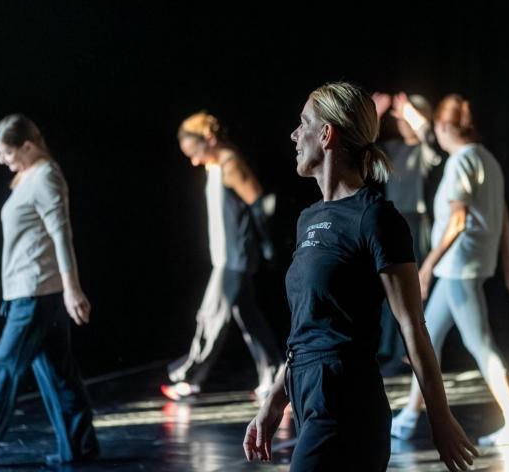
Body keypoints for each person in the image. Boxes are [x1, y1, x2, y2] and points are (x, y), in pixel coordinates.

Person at [243, 83, 478, 472]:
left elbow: (413, 327)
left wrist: (440, 419)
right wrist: (274, 401)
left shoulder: (376, 218)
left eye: (303, 123)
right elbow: (306, 331)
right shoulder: (308, 219)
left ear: (326, 134)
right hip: (307, 397)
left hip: (348, 403)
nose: (294, 135)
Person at [391, 94, 509, 446]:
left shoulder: (460, 163)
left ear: (443, 127)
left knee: (479, 344)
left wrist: (428, 266)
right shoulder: (487, 160)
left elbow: (457, 221)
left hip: (458, 267)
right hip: (468, 265)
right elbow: (503, 216)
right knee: (427, 339)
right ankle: (410, 414)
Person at [0, 115, 99, 466]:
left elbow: (61, 234)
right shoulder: (29, 176)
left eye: (7, 153)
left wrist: (72, 289)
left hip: (36, 292)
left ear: (28, 146)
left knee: (2, 368)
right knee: (58, 373)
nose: (2, 160)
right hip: (33, 291)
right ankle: (80, 447)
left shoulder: (45, 177)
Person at [162, 112, 284, 401]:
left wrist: (268, 246)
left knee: (212, 316)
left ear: (209, 139)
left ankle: (190, 378)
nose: (194, 161)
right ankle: (276, 374)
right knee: (248, 317)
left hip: (235, 257)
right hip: (225, 256)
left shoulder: (230, 164)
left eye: (195, 153)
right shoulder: (214, 165)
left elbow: (258, 203)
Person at [373, 91, 444, 376]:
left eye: (408, 117)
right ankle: (391, 350)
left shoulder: (425, 152)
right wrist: (375, 116)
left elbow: (429, 139)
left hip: (416, 224)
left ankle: (409, 354)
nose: (402, 121)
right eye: (400, 117)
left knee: (414, 290)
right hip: (393, 220)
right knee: (390, 288)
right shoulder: (392, 148)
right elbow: (364, 149)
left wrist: (411, 113)